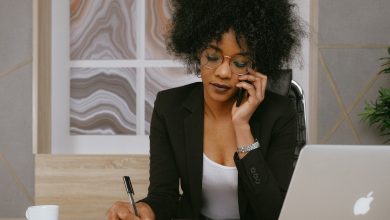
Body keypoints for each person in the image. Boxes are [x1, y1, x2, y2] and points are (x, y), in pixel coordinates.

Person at [107, 0, 303, 219]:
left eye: (239, 63)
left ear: (255, 67)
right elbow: (164, 196)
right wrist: (145, 209)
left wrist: (242, 127)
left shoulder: (280, 113)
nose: (223, 72)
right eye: (212, 56)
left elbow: (274, 212)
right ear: (197, 52)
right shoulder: (169, 108)